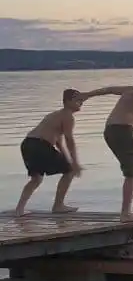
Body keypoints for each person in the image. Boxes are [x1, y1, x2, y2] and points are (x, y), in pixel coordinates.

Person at [80, 68, 133, 222]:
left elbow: (109, 89)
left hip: (113, 131)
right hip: (123, 131)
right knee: (132, 172)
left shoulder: (129, 89)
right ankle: (125, 213)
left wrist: (87, 95)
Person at [13, 89, 87, 217]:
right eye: (78, 100)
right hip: (40, 145)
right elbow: (69, 140)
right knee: (69, 171)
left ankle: (19, 209)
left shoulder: (55, 115)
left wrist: (66, 157)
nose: (81, 103)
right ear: (68, 101)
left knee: (36, 178)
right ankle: (58, 206)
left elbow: (59, 140)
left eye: (82, 100)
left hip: (28, 143)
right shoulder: (68, 116)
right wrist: (74, 163)